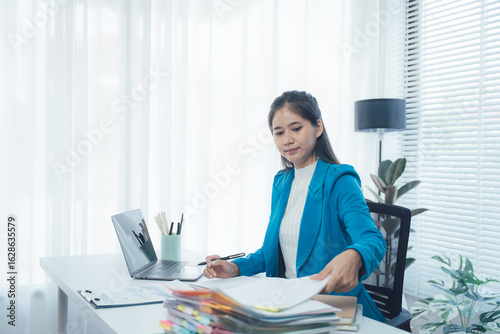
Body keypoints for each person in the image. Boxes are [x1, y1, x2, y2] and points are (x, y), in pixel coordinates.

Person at [203, 90, 387, 322]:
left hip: (334, 307)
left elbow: (373, 239)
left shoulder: (340, 180)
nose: (287, 139)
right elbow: (272, 251)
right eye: (278, 133)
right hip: (289, 303)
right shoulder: (282, 182)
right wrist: (235, 267)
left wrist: (354, 254)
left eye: (296, 128)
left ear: (317, 128)